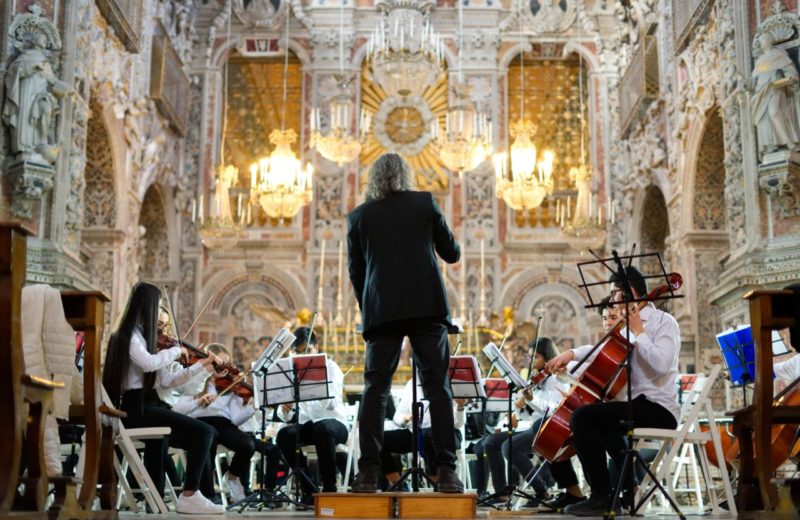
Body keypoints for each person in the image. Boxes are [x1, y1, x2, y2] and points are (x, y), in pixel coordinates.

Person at [347, 153, 463, 493]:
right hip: (427, 306)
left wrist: (369, 308)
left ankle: (368, 473)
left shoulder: (359, 216)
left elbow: (357, 273)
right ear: (406, 177)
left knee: (375, 389)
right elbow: (452, 253)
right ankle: (447, 473)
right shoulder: (425, 204)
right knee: (437, 388)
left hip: (382, 309)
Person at [546, 266, 681, 516]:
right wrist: (570, 354)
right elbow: (600, 351)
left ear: (629, 293)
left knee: (583, 417)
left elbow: (662, 365)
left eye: (614, 294)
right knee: (597, 418)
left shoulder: (664, 322)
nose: (610, 301)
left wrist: (639, 331)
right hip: (635, 406)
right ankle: (621, 491)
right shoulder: (626, 327)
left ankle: (602, 496)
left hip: (659, 409)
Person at [102, 282, 224, 515]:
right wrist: (176, 351)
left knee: (196, 436)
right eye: (157, 307)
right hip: (134, 408)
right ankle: (190, 496)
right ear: (147, 306)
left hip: (148, 405)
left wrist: (202, 365)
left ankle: (158, 500)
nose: (159, 315)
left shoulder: (145, 340)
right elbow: (149, 364)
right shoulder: (127, 336)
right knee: (205, 432)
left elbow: (168, 381)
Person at [172, 343, 257, 503]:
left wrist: (252, 408)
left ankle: (231, 477)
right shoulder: (196, 380)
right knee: (208, 439)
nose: (225, 369)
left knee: (247, 445)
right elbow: (179, 409)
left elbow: (235, 419)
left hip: (223, 423)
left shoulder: (230, 386)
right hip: (199, 423)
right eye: (221, 363)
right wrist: (199, 402)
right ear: (210, 361)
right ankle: (207, 493)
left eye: (227, 364)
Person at [275, 327, 348, 502]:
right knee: (284, 435)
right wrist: (285, 409)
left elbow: (333, 404)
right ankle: (309, 488)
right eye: (298, 352)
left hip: (334, 423)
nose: (303, 357)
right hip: (307, 425)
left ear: (316, 348)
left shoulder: (330, 367)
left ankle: (329, 488)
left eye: (307, 351)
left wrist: (318, 387)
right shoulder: (290, 371)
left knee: (323, 429)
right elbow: (286, 416)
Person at [379, 377, 467, 488]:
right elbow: (397, 418)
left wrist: (460, 406)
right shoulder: (412, 384)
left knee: (428, 437)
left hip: (447, 434)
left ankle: (440, 483)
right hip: (416, 433)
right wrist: (405, 418)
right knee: (379, 440)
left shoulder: (450, 382)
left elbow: (458, 424)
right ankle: (398, 483)